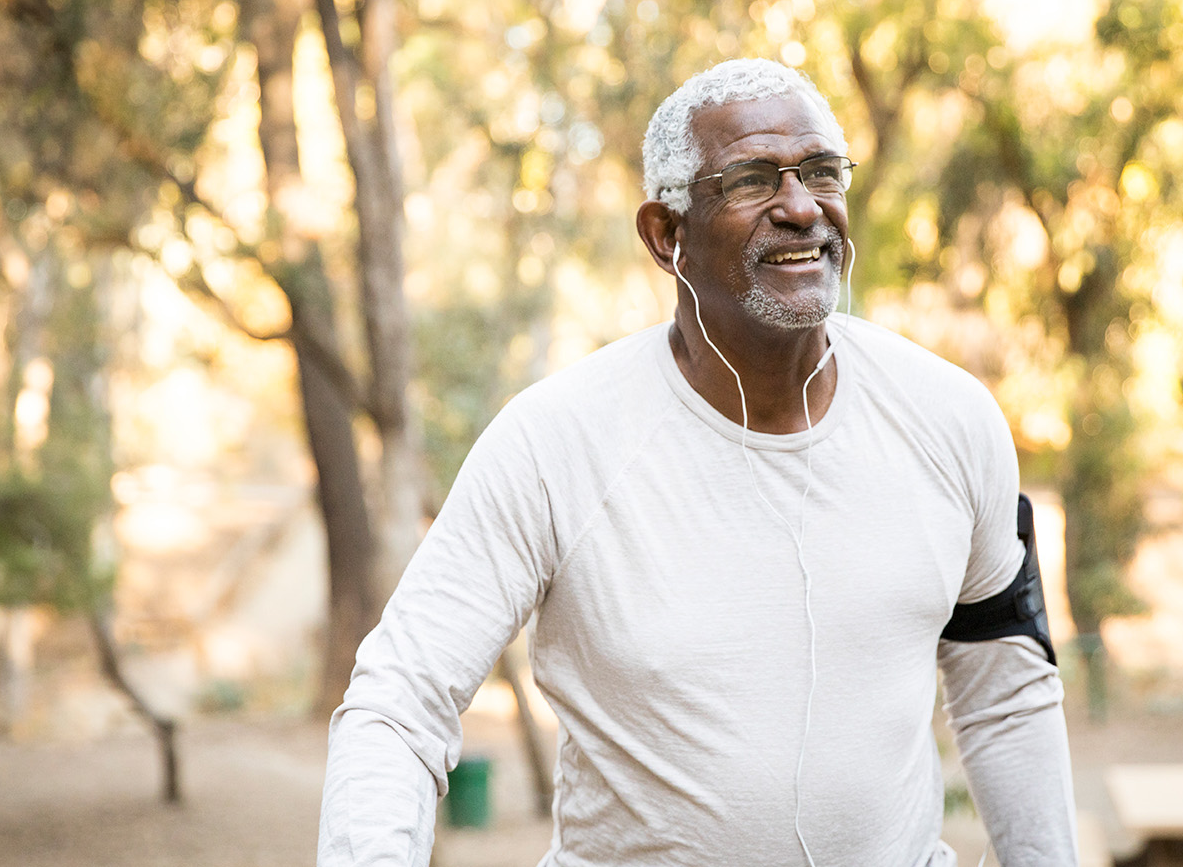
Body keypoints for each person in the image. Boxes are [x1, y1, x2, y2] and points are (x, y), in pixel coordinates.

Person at [318, 58, 1078, 867]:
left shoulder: (951, 419)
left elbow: (1007, 696)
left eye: (822, 172)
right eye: (752, 181)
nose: (800, 206)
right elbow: (398, 704)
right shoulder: (555, 443)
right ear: (666, 234)